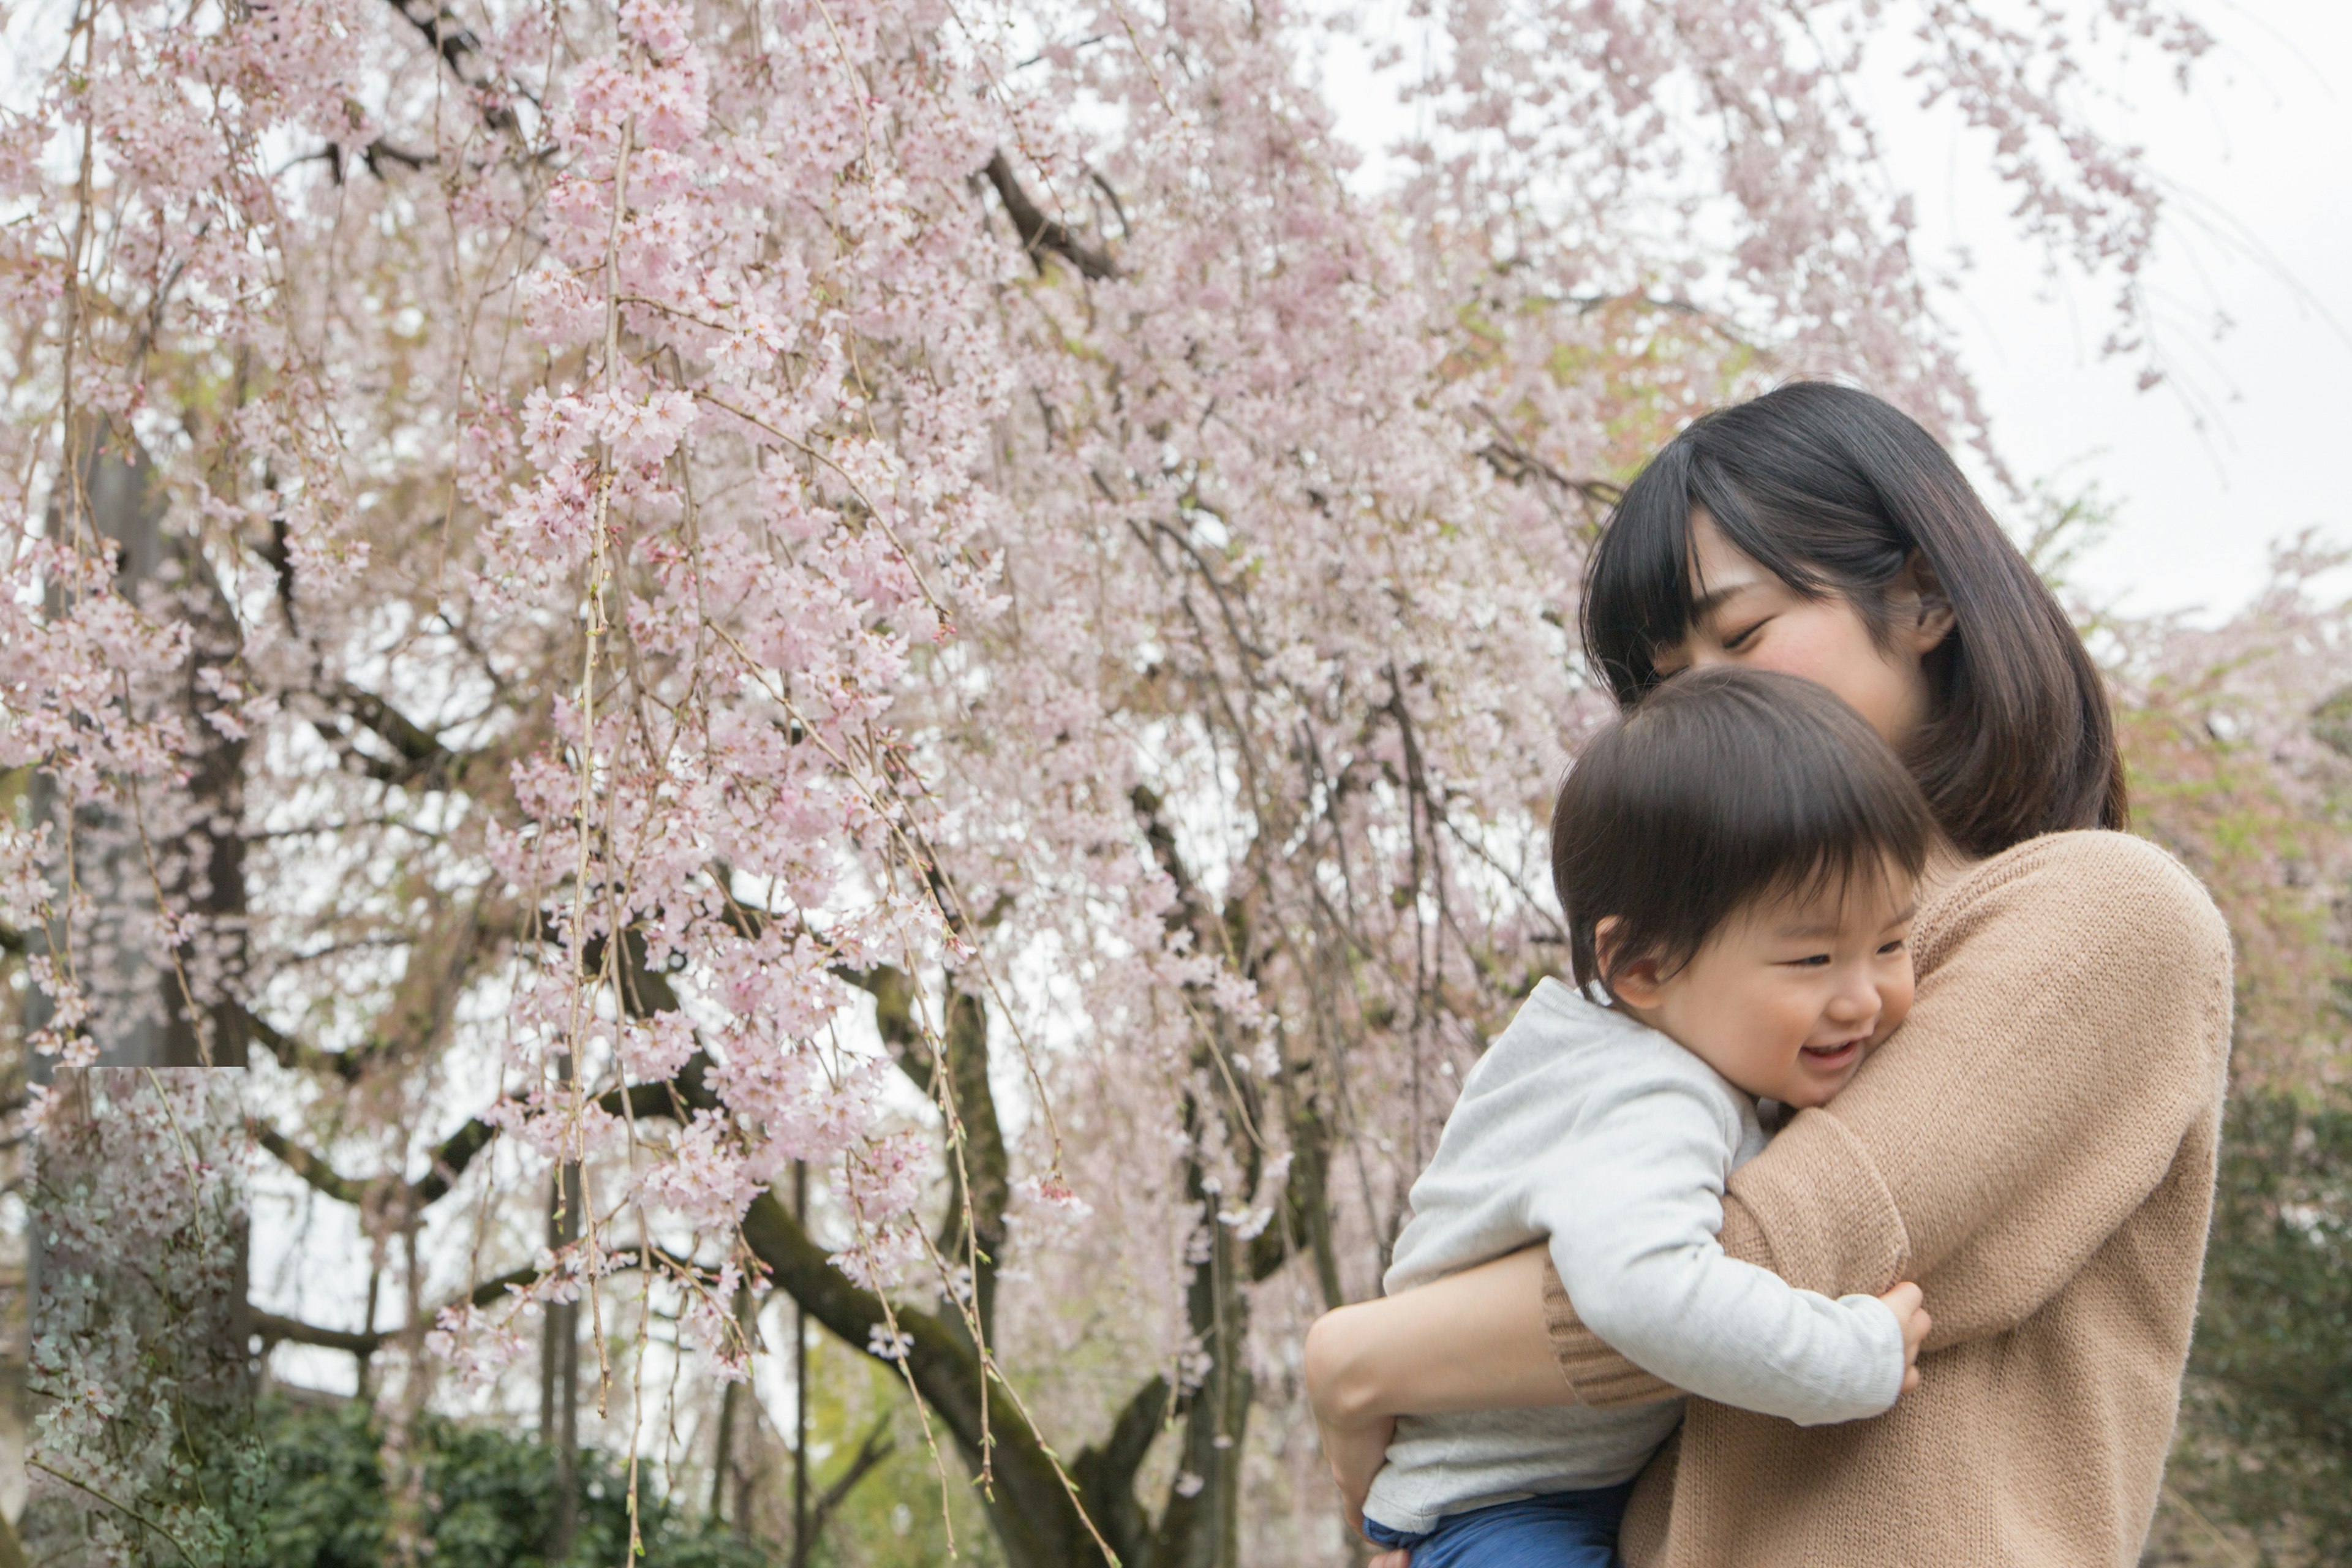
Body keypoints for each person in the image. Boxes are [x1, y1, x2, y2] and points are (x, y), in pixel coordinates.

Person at [1303, 381, 2234, 1567]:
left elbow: (1757, 1261)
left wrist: (1367, 1354)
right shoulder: (1719, 1002)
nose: (1702, 695)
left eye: (1740, 635)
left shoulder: (2104, 911)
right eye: (1658, 675)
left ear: (1924, 597)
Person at [1316, 666, 1937, 1568]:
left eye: (1891, 943)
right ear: (1641, 963)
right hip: (1504, 1511)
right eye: (1811, 957)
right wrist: (1849, 1361)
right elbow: (1642, 1290)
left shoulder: (1674, 1054)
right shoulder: (1646, 1093)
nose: (1864, 997)